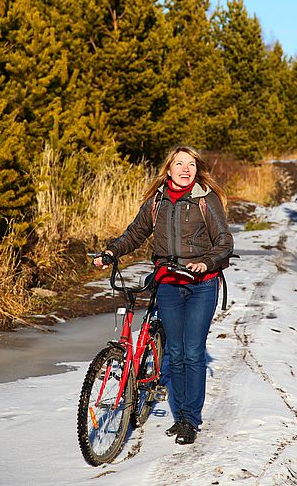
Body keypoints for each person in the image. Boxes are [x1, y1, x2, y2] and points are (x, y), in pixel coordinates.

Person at [93, 145, 234, 445]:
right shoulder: (157, 201)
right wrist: (110, 252)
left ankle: (189, 420)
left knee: (193, 351)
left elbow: (224, 243)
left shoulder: (205, 200)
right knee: (175, 352)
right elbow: (135, 234)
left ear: (197, 170)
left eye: (191, 165)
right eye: (179, 164)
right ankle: (182, 414)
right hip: (167, 282)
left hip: (201, 285)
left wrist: (205, 262)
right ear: (168, 169)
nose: (186, 169)